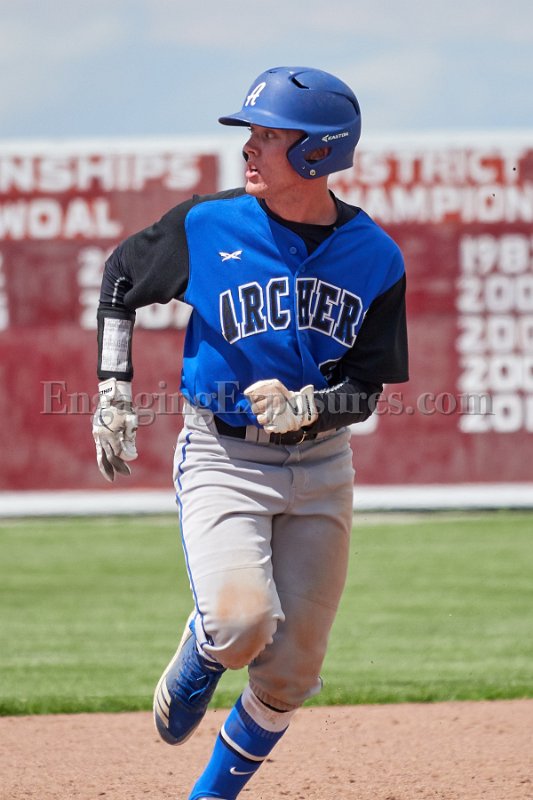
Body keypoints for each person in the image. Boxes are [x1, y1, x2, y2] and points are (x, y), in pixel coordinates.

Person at [92, 66, 408, 800]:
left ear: (318, 152)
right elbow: (121, 279)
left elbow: (365, 388)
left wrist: (312, 408)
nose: (249, 148)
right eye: (252, 134)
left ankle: (212, 794)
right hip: (223, 455)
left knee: (293, 669)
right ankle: (207, 648)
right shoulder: (208, 225)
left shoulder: (376, 258)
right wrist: (112, 389)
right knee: (240, 625)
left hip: (322, 466)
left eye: (269, 135)